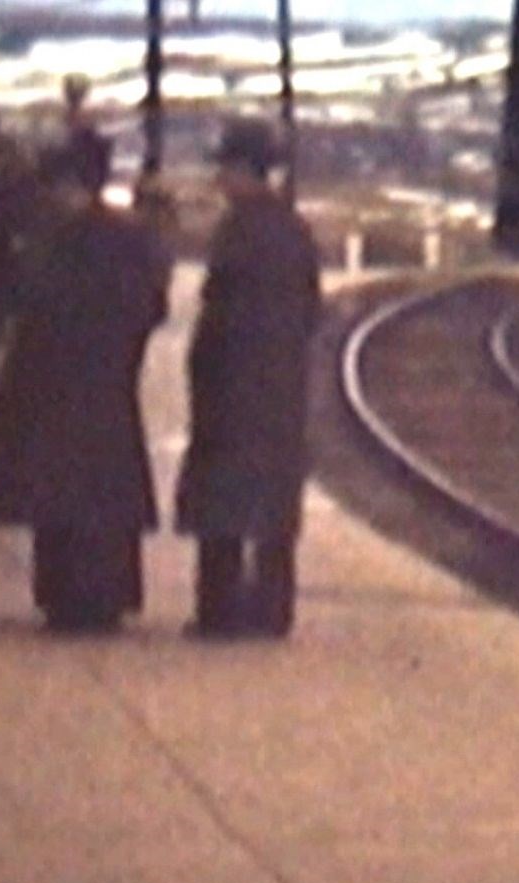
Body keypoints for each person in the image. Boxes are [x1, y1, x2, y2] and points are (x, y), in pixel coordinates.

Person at [0, 127, 171, 633]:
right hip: (105, 385)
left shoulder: (56, 237)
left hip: (57, 384)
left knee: (59, 499)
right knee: (101, 499)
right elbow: (149, 304)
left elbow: (26, 296)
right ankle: (100, 595)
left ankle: (66, 593)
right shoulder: (127, 237)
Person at [175, 119, 322, 638]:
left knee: (223, 504)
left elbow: (221, 315)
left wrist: (205, 372)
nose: (220, 179)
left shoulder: (238, 231)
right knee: (273, 507)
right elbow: (310, 311)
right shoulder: (294, 229)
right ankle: (271, 609)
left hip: (232, 386)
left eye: (226, 168)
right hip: (280, 385)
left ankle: (219, 611)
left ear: (243, 170)